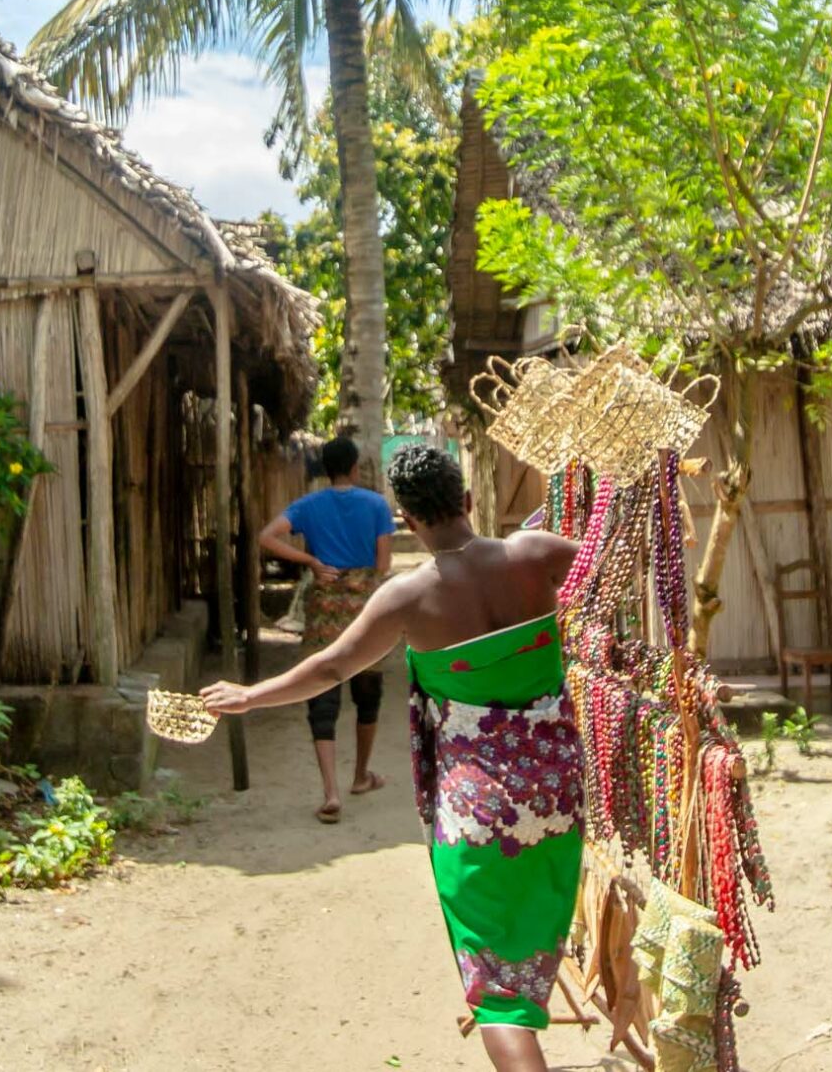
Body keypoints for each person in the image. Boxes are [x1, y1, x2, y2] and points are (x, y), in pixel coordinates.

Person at [210, 446, 583, 1072]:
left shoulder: (406, 598)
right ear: (466, 500)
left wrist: (249, 697)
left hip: (477, 809)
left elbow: (329, 667)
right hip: (557, 793)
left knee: (500, 996)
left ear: (407, 520)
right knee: (533, 935)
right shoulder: (540, 554)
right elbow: (616, 562)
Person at [259, 435, 398, 822]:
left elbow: (266, 536)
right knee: (367, 691)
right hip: (365, 610)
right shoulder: (376, 505)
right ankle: (360, 776)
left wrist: (310, 560)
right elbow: (384, 565)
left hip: (323, 608)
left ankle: (331, 792)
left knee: (322, 691)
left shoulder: (308, 505)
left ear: (325, 468)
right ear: (355, 467)